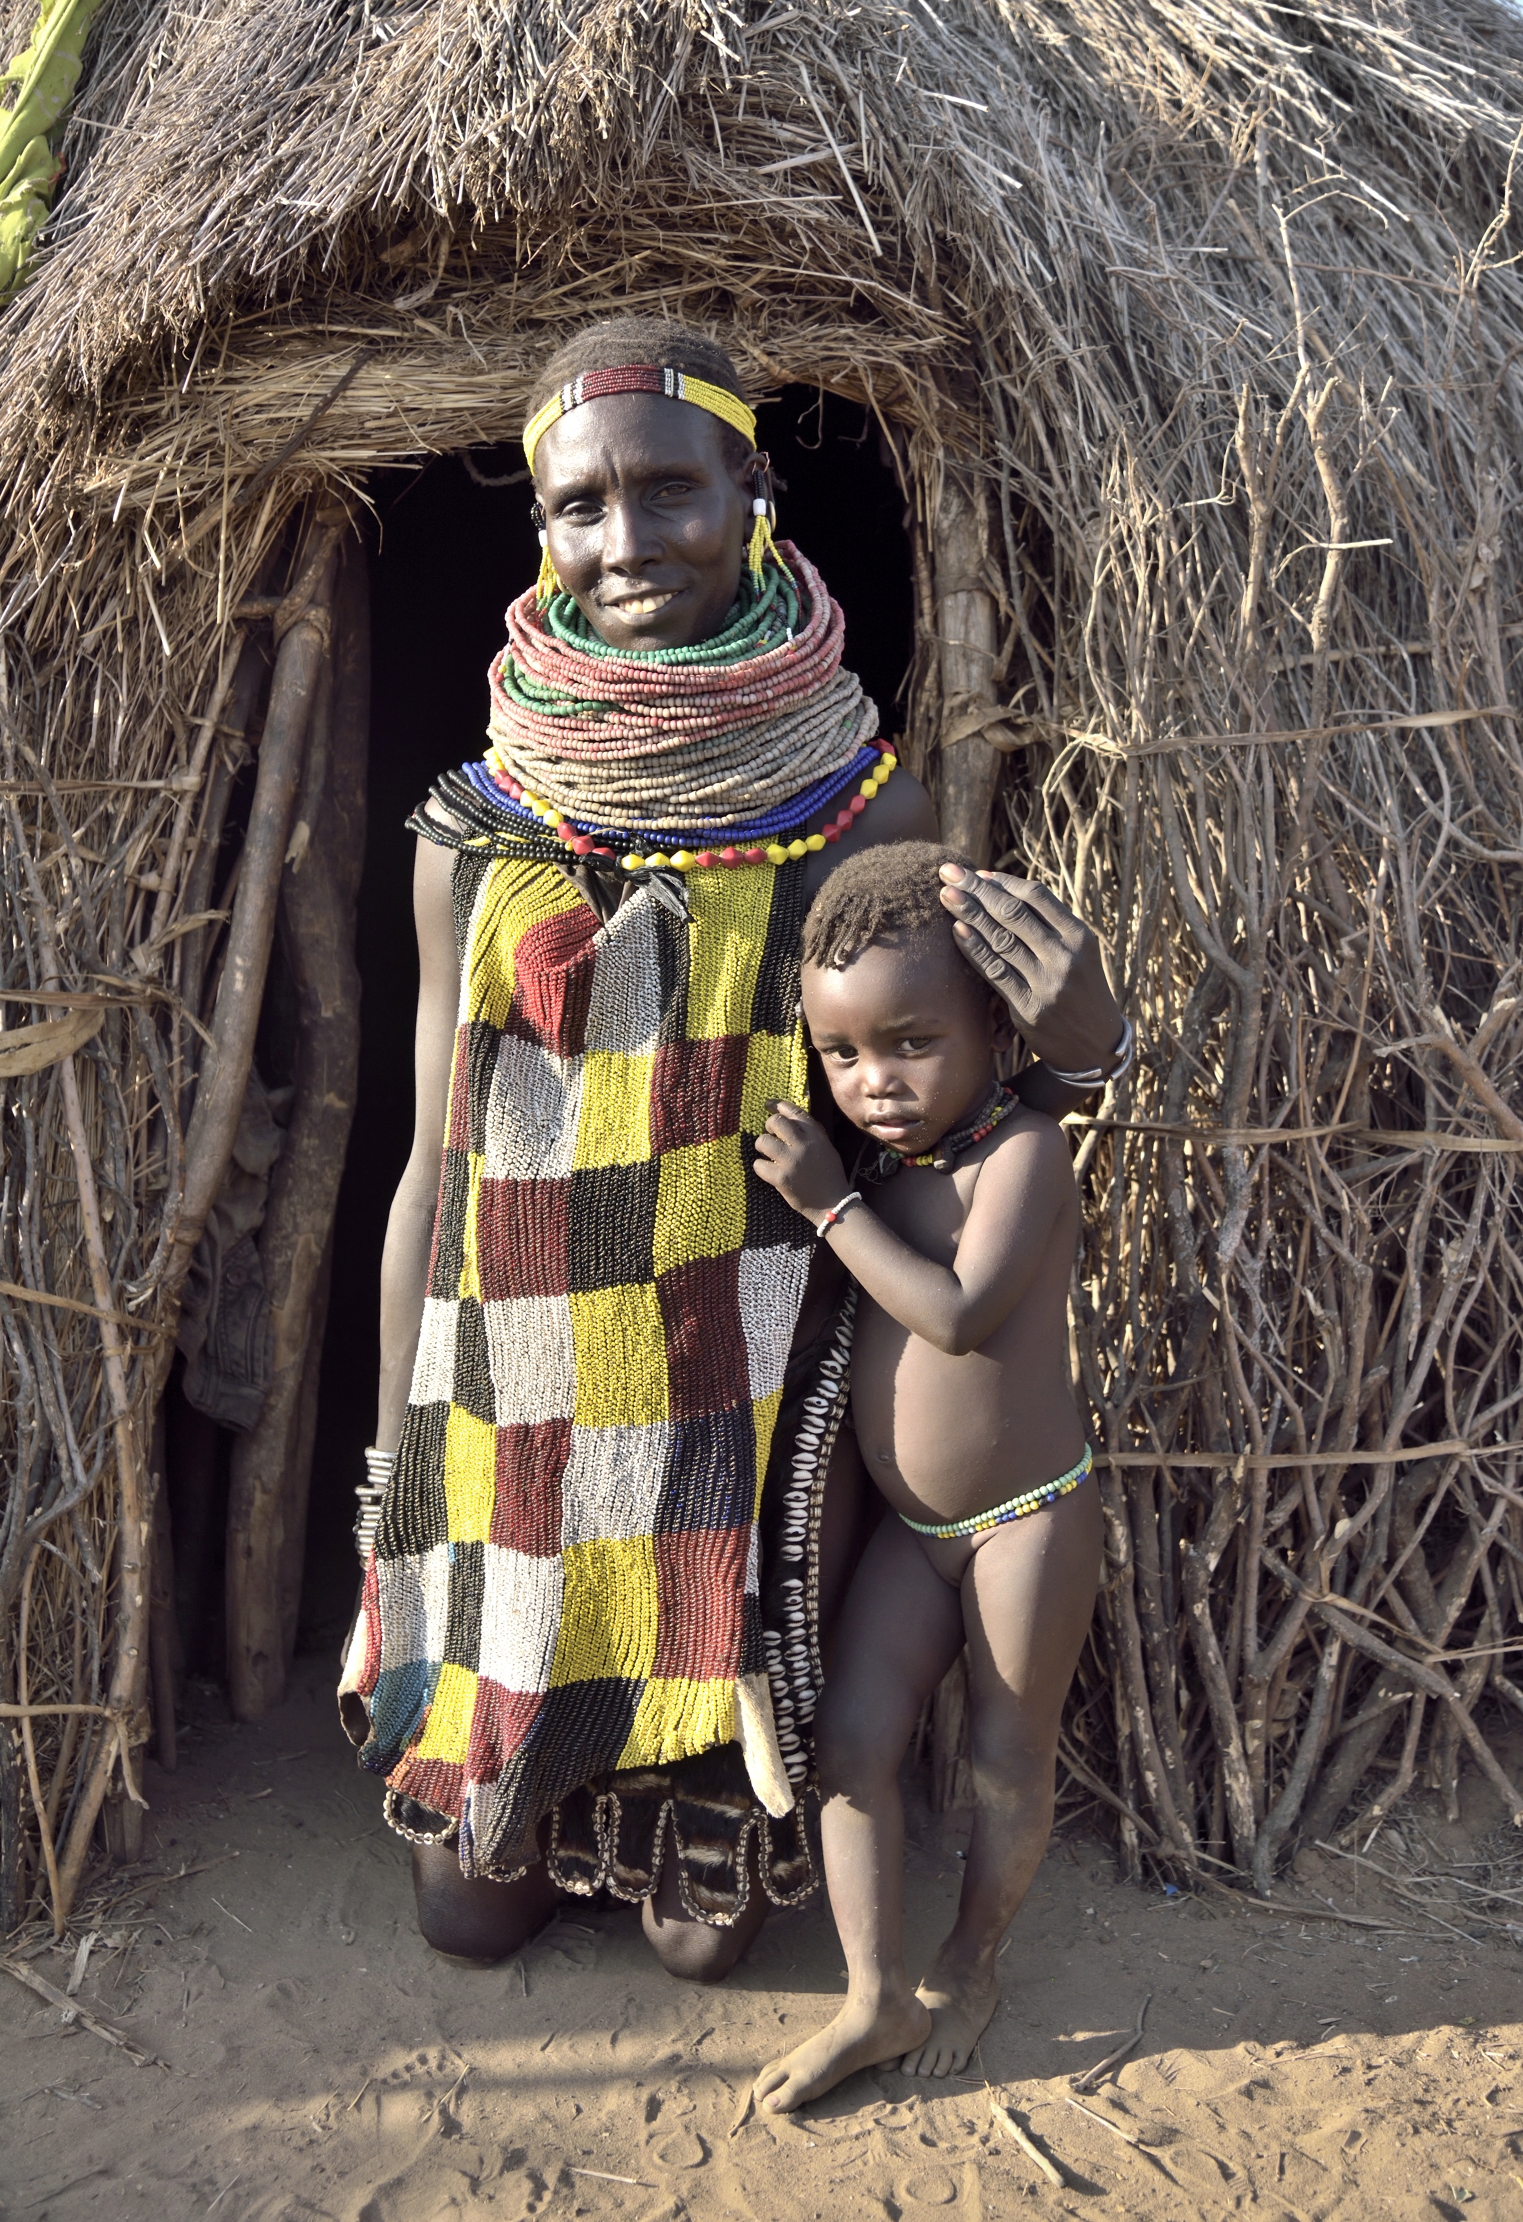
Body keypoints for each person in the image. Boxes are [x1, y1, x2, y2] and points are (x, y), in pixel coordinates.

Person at [339, 315, 1128, 1983]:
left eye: (667, 492)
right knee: (465, 1917)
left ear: (751, 490)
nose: (625, 542)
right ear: (538, 527)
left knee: (707, 1931)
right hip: (521, 1392)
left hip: (749, 1379)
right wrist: (401, 1460)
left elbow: (931, 1116)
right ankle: (525, 1759)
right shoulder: (475, 827)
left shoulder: (852, 809)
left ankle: (708, 1787)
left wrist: (1088, 1048)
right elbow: (432, 1156)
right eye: (579, 507)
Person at [748, 842, 1104, 2109]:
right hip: (913, 1523)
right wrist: (845, 1188)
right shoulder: (887, 1164)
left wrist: (830, 1208)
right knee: (849, 1738)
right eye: (843, 1055)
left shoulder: (1020, 1156)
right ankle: (873, 1994)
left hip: (1025, 1524)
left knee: (1008, 1756)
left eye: (909, 1043)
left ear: (992, 1031)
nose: (874, 1082)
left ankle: (972, 1963)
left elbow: (956, 1315)